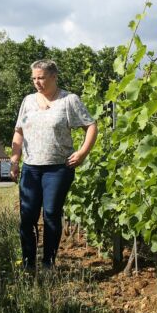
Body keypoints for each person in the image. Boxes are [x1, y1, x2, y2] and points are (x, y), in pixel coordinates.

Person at [10, 59, 97, 273]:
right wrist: (14, 160)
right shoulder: (28, 101)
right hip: (31, 168)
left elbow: (91, 125)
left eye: (41, 77)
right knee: (27, 216)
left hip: (58, 168)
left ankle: (48, 262)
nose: (37, 82)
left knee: (50, 213)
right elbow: (19, 132)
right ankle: (29, 263)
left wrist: (83, 153)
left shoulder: (69, 100)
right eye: (34, 78)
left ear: (54, 77)